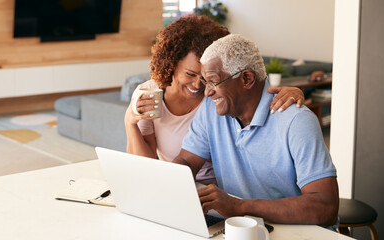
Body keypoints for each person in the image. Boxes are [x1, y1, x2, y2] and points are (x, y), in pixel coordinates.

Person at [173, 34, 339, 227]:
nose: (207, 92)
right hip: (242, 227)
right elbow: (186, 160)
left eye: (213, 81)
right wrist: (171, 179)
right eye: (205, 82)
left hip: (295, 230)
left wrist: (240, 206)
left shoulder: (296, 121)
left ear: (247, 79)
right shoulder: (211, 110)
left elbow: (325, 207)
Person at [124, 14, 304, 184]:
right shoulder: (150, 94)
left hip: (224, 190)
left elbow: (255, 97)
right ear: (171, 63)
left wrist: (294, 92)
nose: (198, 85)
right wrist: (130, 123)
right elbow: (144, 166)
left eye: (206, 77)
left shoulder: (219, 94)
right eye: (190, 74)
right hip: (178, 182)